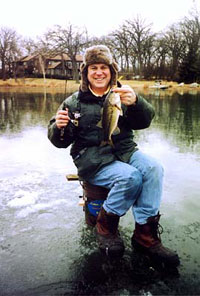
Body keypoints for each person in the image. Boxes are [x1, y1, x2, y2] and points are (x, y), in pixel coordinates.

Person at [48, 45, 180, 266]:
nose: (99, 72)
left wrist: (137, 103)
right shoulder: (73, 102)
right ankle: (106, 227)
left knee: (154, 169)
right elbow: (60, 141)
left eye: (104, 67)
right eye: (93, 68)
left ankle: (145, 235)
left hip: (125, 151)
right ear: (85, 73)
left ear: (111, 71)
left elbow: (144, 122)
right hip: (92, 158)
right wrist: (59, 126)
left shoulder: (121, 95)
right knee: (130, 177)